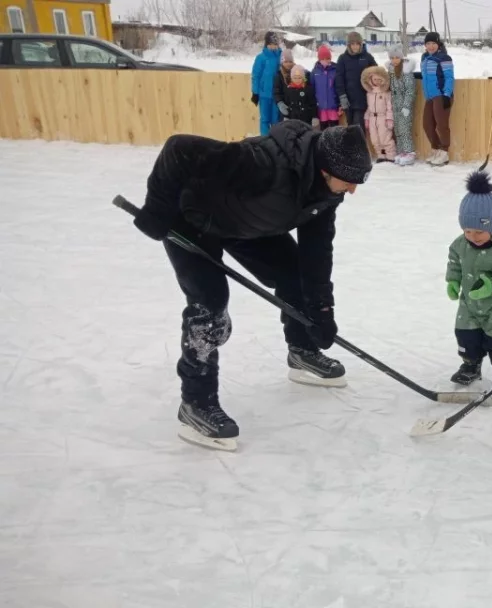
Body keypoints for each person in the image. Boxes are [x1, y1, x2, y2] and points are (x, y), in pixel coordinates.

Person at [130, 123, 373, 452]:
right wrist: (158, 209)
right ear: (326, 169)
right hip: (192, 220)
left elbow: (317, 254)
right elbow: (179, 148)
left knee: (296, 274)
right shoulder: (261, 165)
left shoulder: (327, 192)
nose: (353, 190)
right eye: (350, 181)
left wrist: (321, 309)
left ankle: (302, 351)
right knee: (210, 306)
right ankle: (196, 404)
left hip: (246, 223)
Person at [445, 171, 492, 393]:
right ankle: (471, 365)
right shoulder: (461, 244)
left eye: (479, 231)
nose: (473, 236)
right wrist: (453, 280)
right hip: (469, 305)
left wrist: (491, 287)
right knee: (467, 337)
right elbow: (454, 260)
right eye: (467, 230)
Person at [419, 32, 454, 166]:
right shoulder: (425, 57)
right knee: (427, 125)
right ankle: (436, 149)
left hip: (441, 95)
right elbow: (426, 75)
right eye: (428, 44)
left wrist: (446, 94)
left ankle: (444, 152)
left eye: (433, 43)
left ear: (438, 44)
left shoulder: (444, 58)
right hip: (430, 96)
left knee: (441, 125)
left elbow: (449, 77)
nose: (431, 46)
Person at [336, 32, 378, 131]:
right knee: (350, 126)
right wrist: (342, 96)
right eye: (352, 44)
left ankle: (360, 146)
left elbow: (376, 71)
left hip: (362, 98)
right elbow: (339, 78)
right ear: (349, 45)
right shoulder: (342, 58)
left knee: (359, 125)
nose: (355, 46)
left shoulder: (367, 57)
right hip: (348, 99)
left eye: (357, 44)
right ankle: (353, 146)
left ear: (361, 44)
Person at [385, 45, 417, 165]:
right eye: (392, 58)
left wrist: (406, 106)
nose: (394, 60)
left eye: (397, 57)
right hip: (395, 104)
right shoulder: (391, 71)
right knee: (397, 129)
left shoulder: (406, 71)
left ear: (401, 57)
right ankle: (401, 151)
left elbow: (410, 90)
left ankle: (410, 152)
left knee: (404, 129)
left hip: (404, 105)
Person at [361, 65, 395, 163]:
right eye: (375, 79)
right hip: (372, 118)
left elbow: (389, 107)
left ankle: (390, 155)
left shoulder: (386, 93)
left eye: (380, 80)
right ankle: (381, 155)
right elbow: (369, 107)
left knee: (385, 137)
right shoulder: (369, 93)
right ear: (371, 79)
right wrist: (366, 118)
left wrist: (389, 119)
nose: (377, 82)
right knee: (374, 139)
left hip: (382, 117)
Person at [250, 32, 282, 135]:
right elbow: (256, 75)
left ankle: (276, 140)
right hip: (264, 94)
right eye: (271, 44)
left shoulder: (280, 56)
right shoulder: (261, 58)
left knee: (276, 119)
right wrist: (255, 92)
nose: (273, 46)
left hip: (277, 94)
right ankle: (264, 141)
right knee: (265, 119)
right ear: (266, 44)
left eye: (275, 44)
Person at [311, 44, 342, 131]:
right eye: (323, 59)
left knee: (334, 128)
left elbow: (338, 87)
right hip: (321, 107)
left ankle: (335, 143)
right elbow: (312, 87)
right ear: (319, 59)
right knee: (324, 129)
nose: (325, 61)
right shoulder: (315, 71)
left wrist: (339, 103)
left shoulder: (335, 70)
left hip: (333, 106)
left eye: (328, 58)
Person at [272, 48, 296, 120]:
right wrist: (280, 103)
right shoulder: (279, 76)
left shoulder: (297, 72)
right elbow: (276, 92)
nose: (288, 64)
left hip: (296, 107)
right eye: (286, 62)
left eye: (290, 61)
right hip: (284, 108)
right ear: (282, 62)